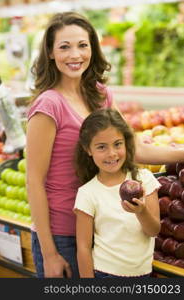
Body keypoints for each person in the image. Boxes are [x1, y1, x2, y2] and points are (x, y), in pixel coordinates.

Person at [26, 11, 184, 278]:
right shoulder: (48, 104)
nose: (75, 55)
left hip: (101, 229)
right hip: (62, 232)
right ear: (50, 53)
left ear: (92, 48)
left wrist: (181, 151)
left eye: (82, 45)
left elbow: (133, 147)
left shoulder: (100, 94)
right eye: (64, 47)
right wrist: (50, 253)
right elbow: (33, 181)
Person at [73, 108, 161, 278]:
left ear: (126, 143)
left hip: (143, 274)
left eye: (117, 144)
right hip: (105, 274)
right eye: (101, 147)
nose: (112, 153)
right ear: (88, 149)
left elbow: (153, 231)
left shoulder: (144, 179)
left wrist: (141, 212)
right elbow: (83, 248)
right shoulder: (87, 193)